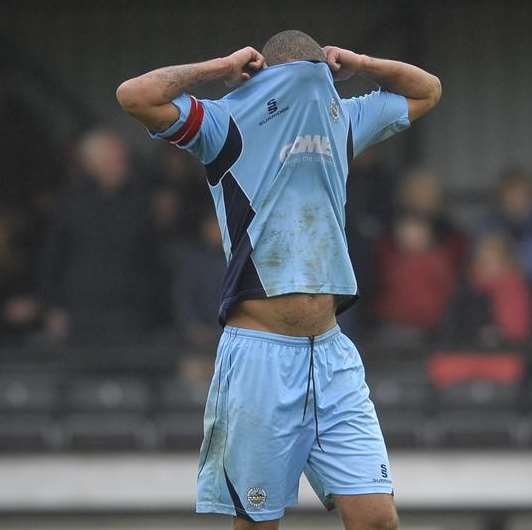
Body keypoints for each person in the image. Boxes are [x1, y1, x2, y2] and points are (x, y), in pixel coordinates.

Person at [117, 30, 441, 530]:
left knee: (378, 519)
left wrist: (360, 60)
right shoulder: (224, 123)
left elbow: (427, 90)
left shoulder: (343, 118)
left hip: (331, 355)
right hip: (258, 357)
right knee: (257, 524)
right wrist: (218, 69)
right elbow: (134, 95)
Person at [39, 130, 169, 345]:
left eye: (121, 159)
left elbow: (155, 258)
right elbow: (52, 258)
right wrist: (54, 306)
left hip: (132, 312)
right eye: (112, 160)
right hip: (82, 311)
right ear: (91, 164)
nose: (120, 165)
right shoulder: (70, 204)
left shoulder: (143, 203)